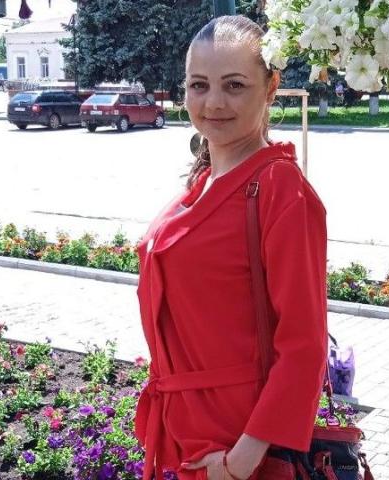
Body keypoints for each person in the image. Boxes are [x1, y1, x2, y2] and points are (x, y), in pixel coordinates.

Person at [134, 15, 328, 480]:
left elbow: (304, 344)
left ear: (271, 88)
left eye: (235, 85)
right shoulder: (203, 182)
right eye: (198, 85)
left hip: (236, 445)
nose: (214, 102)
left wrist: (240, 462)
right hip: (186, 437)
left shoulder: (280, 189)